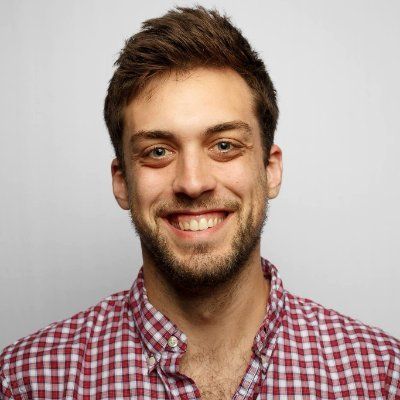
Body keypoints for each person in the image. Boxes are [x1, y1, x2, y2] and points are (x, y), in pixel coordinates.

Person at [1, 6, 399, 400]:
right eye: (158, 151)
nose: (192, 183)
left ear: (271, 170)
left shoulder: (383, 378)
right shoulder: (24, 384)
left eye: (224, 146)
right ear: (122, 182)